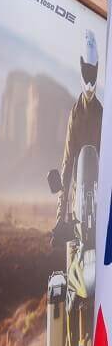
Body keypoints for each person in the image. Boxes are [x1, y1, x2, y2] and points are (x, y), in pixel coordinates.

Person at [52, 29, 103, 246]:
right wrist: (59, 218)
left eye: (93, 72)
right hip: (77, 205)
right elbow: (67, 163)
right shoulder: (75, 115)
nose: (89, 79)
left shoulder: (103, 115)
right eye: (86, 72)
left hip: (100, 205)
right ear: (81, 69)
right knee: (72, 255)